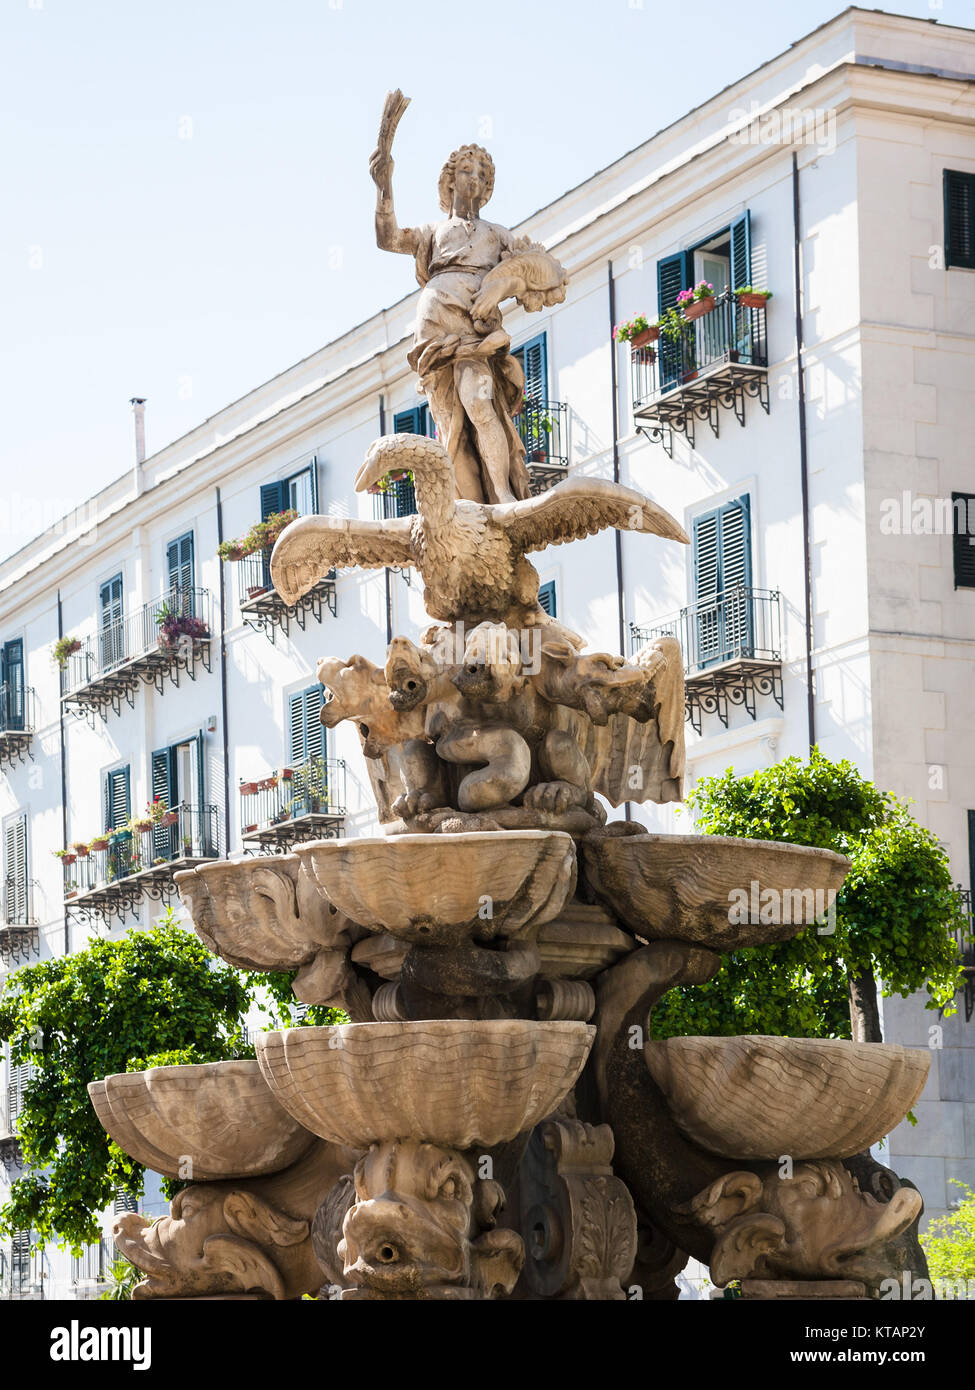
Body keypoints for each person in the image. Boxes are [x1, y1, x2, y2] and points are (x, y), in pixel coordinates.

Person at [369, 94, 567, 504]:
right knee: (449, 425)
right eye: (466, 170)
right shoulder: (432, 232)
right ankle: (470, 504)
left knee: (479, 401)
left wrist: (500, 285)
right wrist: (383, 186)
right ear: (450, 180)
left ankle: (501, 495)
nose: (474, 179)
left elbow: (550, 273)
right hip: (436, 324)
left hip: (476, 328)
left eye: (481, 173)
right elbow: (387, 238)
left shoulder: (497, 235)